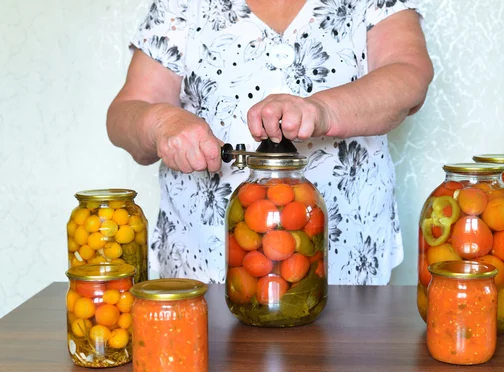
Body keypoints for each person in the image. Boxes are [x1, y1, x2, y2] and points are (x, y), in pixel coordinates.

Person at [107, 0, 433, 285]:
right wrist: (160, 123)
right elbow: (125, 113)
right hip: (200, 271)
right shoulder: (180, 5)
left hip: (348, 268)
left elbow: (408, 73)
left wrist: (321, 110)